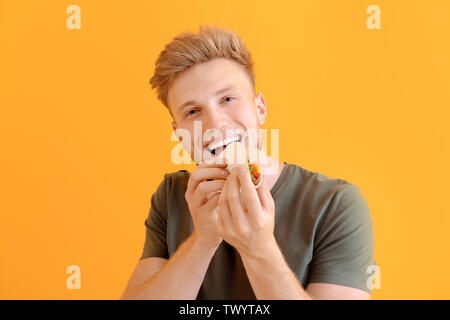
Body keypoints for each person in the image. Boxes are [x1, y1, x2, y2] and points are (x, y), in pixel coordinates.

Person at [120, 25, 376, 300]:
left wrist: (259, 248)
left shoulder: (335, 204)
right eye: (193, 111)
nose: (215, 123)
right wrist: (204, 239)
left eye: (228, 99)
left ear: (260, 108)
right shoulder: (171, 196)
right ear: (178, 133)